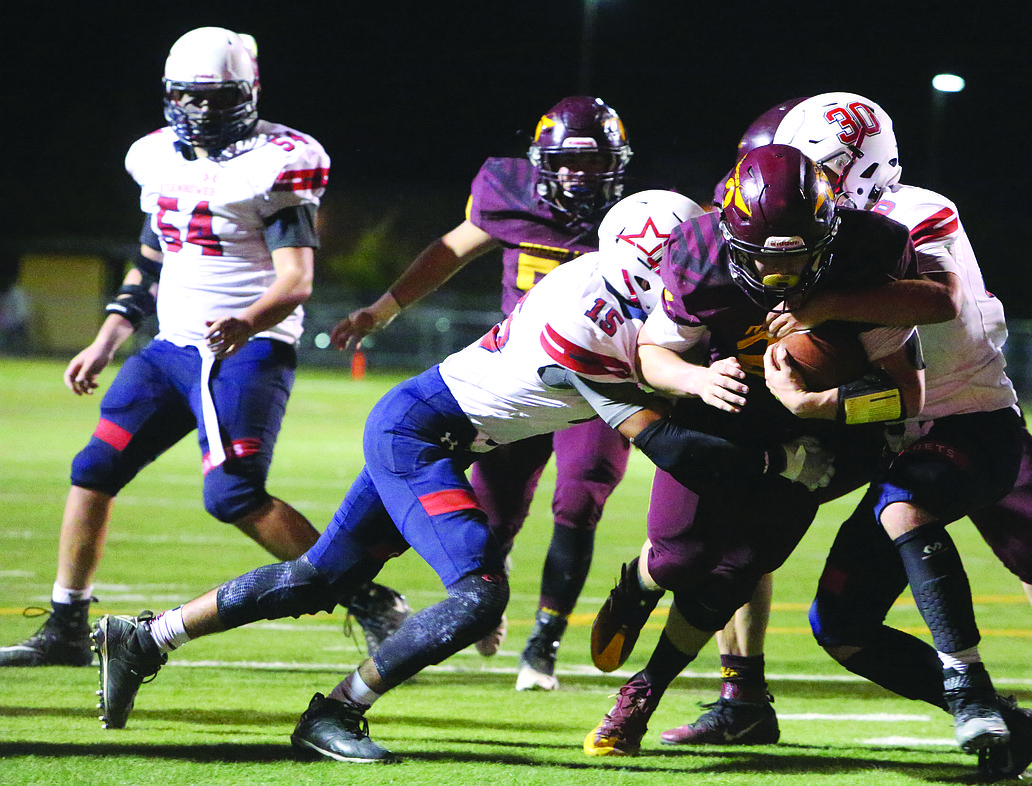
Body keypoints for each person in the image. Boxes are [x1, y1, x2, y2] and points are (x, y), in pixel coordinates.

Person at [88, 191, 829, 760]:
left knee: (320, 577)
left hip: (431, 427)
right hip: (422, 435)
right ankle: (334, 714)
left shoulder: (617, 291)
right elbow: (667, 445)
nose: (694, 275)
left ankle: (145, 638)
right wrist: (780, 460)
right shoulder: (595, 322)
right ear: (644, 269)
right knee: (478, 594)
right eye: (680, 263)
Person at [670, 92, 1032, 774]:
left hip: (966, 415)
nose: (800, 181)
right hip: (878, 421)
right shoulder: (813, 220)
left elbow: (936, 297)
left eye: (812, 164)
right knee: (809, 585)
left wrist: (820, 306)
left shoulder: (913, 211)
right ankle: (747, 694)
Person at [0, 27, 408, 669]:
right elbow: (151, 256)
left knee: (233, 496)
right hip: (170, 350)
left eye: (216, 99)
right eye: (189, 97)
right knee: (93, 469)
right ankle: (66, 626)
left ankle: (368, 598)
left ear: (248, 94)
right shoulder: (155, 157)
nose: (201, 112)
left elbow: (296, 279)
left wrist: (247, 320)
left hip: (247, 351)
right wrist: (108, 337)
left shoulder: (277, 161)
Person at [584, 144, 951, 759]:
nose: (781, 279)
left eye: (800, 258)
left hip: (823, 430)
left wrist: (822, 403)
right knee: (679, 557)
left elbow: (905, 395)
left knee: (740, 565)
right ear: (730, 232)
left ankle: (644, 690)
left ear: (829, 232)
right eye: (764, 260)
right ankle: (641, 585)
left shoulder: (871, 250)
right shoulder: (696, 253)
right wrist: (697, 379)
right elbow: (653, 355)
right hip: (725, 408)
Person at [329, 96, 638, 691]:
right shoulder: (510, 193)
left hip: (600, 384)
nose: (578, 174)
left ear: (617, 163)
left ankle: (543, 644)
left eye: (594, 162)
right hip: (519, 377)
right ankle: (485, 595)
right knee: (492, 513)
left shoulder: (633, 221)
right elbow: (451, 249)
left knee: (578, 504)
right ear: (540, 161)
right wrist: (385, 307)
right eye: (565, 162)